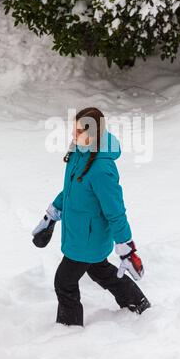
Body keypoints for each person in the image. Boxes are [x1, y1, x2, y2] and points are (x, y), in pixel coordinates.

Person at [32, 107, 150, 326]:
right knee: (101, 271)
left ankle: (69, 328)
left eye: (80, 131)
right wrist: (51, 216)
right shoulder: (79, 153)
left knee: (64, 281)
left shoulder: (101, 169)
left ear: (94, 134)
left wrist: (127, 248)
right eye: (74, 130)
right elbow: (70, 191)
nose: (73, 135)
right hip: (80, 233)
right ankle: (138, 303)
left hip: (87, 239)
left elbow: (115, 211)